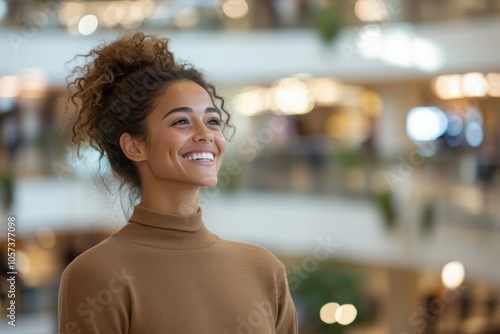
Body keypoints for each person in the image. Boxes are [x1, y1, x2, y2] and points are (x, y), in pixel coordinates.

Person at [57, 33, 298, 334]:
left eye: (212, 121)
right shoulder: (95, 274)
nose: (206, 134)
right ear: (135, 147)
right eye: (181, 122)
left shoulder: (264, 269)